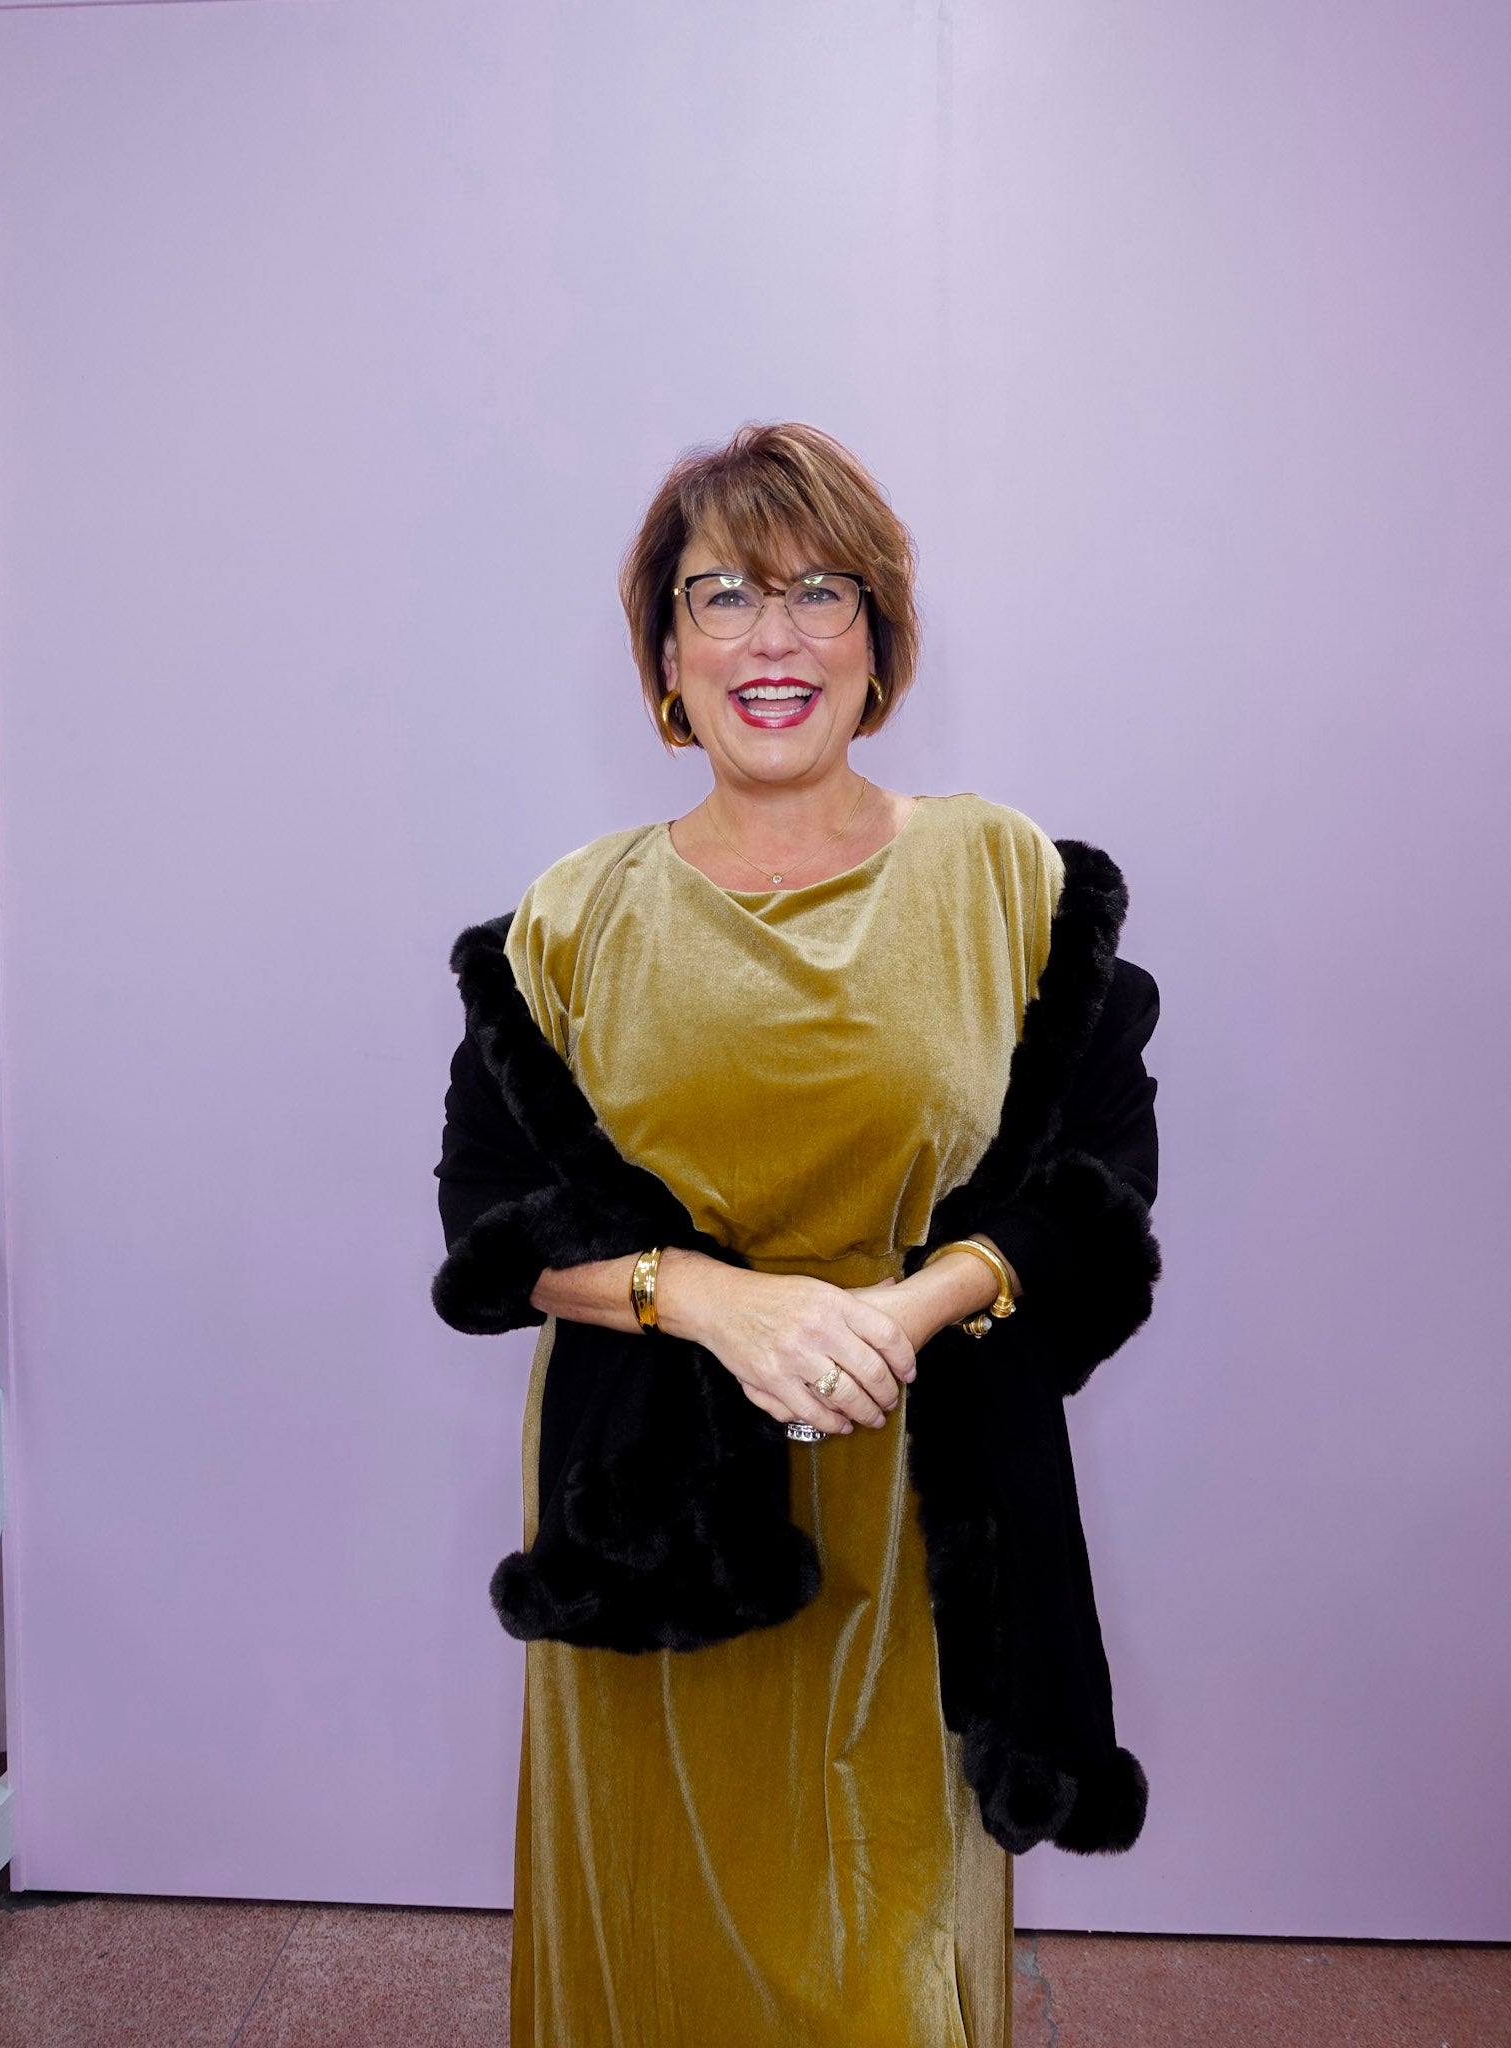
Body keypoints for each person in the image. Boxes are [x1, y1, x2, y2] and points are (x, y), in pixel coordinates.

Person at [433, 422, 1162, 2048]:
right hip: (650, 1536)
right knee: (650, 1948)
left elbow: (1096, 1184)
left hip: (921, 1504)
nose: (775, 638)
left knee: (884, 1952)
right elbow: (488, 1221)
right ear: (665, 657)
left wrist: (902, 1316)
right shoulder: (568, 920)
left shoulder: (1008, 878)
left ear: (879, 642)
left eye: (820, 592)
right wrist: (709, 1303)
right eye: (724, 596)